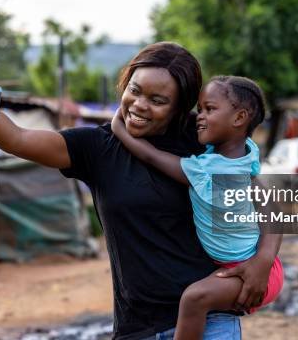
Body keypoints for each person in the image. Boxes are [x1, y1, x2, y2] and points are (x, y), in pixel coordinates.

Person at [0, 42, 282, 339]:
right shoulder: (97, 148)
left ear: (180, 108)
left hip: (208, 323)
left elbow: (268, 194)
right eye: (134, 91)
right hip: (135, 328)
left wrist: (264, 259)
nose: (139, 105)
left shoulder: (201, 141)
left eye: (158, 100)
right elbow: (18, 139)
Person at [110, 75, 284, 339]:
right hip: (253, 266)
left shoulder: (204, 170)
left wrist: (118, 126)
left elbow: (149, 154)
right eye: (199, 108)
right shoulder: (246, 156)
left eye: (209, 109)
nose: (199, 116)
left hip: (253, 273)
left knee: (194, 298)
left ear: (239, 119)